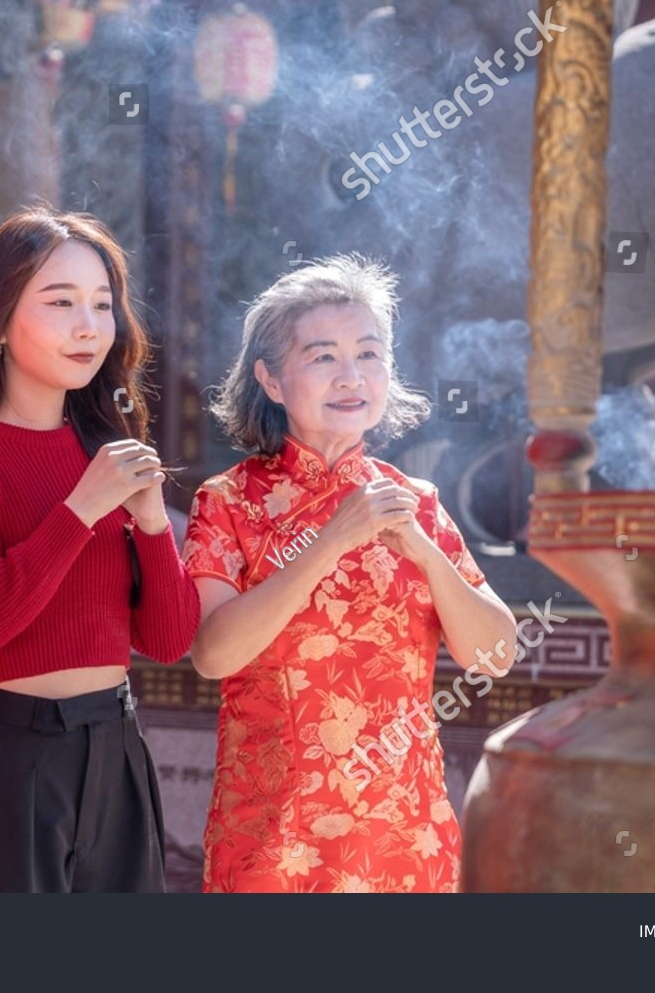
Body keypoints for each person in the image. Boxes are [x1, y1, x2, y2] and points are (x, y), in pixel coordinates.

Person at [182, 254, 517, 892]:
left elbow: (496, 654)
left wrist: (423, 549)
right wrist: (332, 540)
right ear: (271, 381)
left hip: (403, 830)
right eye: (323, 356)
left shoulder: (414, 501)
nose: (351, 375)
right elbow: (213, 654)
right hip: (275, 838)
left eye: (369, 353)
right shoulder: (228, 501)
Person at [0, 206, 200, 892]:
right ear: (2, 320)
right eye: (61, 301)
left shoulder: (107, 448)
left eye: (103, 305)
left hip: (117, 746)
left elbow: (168, 640)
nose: (88, 326)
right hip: (9, 754)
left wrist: (154, 524)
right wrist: (81, 508)